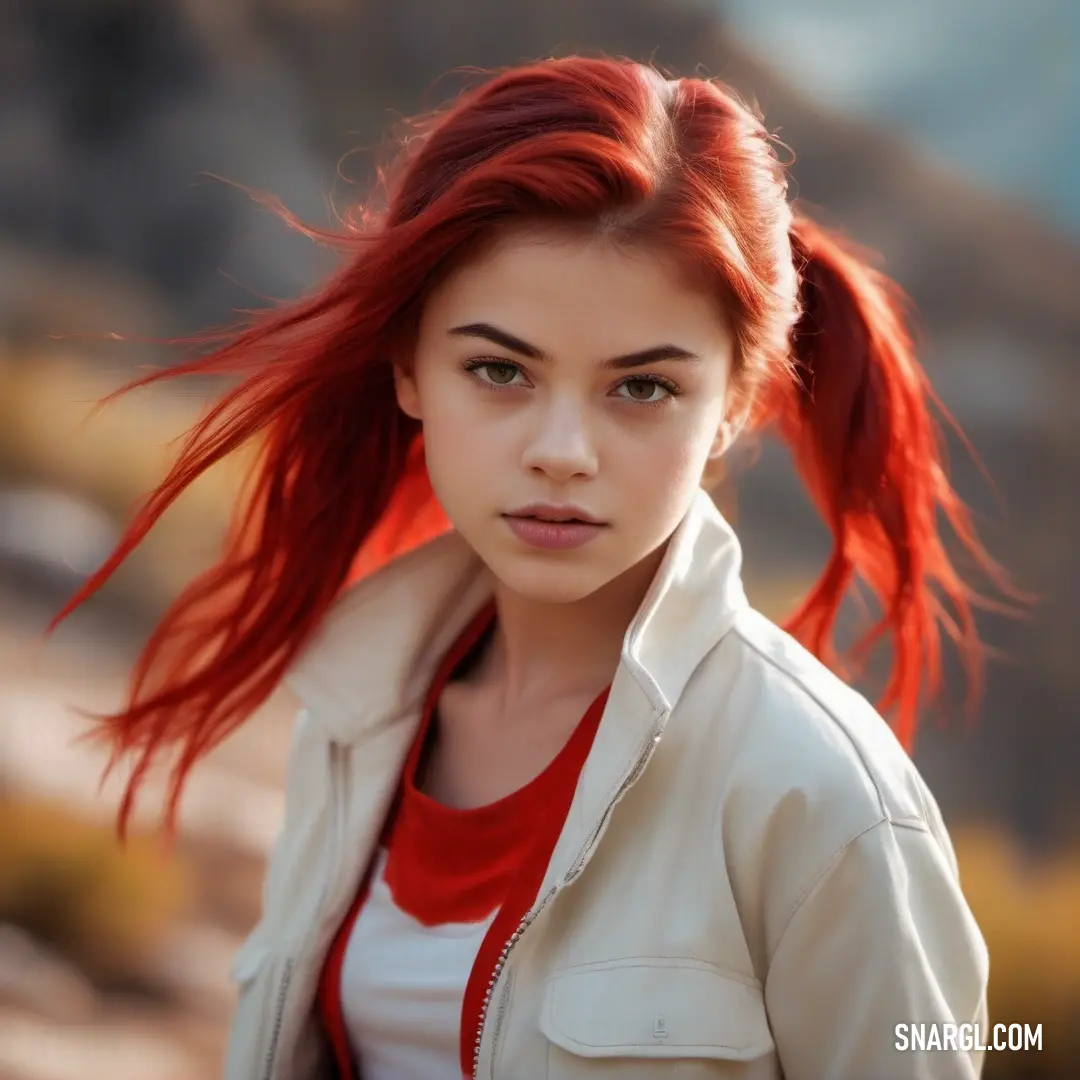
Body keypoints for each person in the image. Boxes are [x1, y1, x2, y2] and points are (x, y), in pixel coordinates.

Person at [53, 56, 1015, 1079]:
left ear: (736, 404)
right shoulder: (358, 704)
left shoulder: (819, 799)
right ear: (408, 368)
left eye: (641, 389)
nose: (563, 450)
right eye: (500, 370)